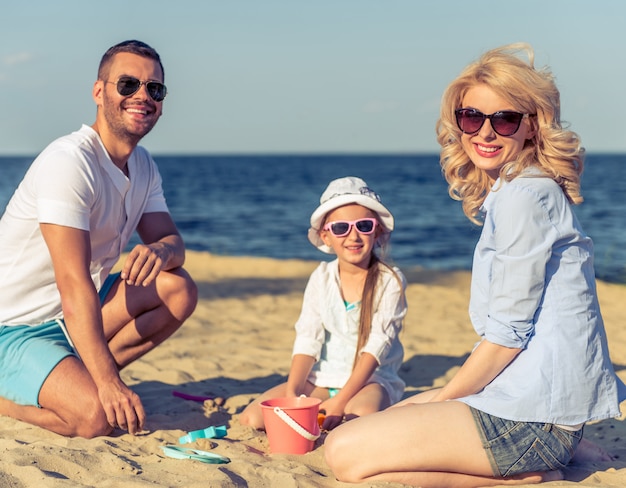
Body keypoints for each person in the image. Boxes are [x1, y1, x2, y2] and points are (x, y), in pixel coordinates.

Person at [324, 43, 625, 487]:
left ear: (531, 125)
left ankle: (523, 477)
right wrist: (439, 400)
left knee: (344, 454)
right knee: (389, 418)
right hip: (530, 403)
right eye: (471, 117)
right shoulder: (518, 188)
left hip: (531, 421)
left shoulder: (524, 196)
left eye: (504, 119)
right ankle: (554, 450)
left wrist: (443, 398)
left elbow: (508, 336)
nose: (485, 132)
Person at [0, 40, 197, 438]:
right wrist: (108, 385)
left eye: (154, 89)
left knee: (178, 288)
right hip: (13, 326)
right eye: (128, 84)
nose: (142, 96)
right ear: (99, 91)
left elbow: (173, 242)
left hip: (70, 320)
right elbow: (73, 285)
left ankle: (84, 376)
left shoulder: (142, 165)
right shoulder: (69, 163)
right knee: (95, 418)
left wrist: (160, 249)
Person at [240, 176, 407, 431]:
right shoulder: (321, 277)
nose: (353, 236)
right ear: (326, 236)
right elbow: (308, 339)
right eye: (341, 228)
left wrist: (340, 401)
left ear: (378, 231)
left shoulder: (389, 281)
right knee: (253, 419)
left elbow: (376, 347)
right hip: (321, 378)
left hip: (370, 381)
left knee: (357, 417)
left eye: (363, 225)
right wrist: (294, 394)